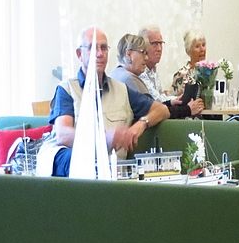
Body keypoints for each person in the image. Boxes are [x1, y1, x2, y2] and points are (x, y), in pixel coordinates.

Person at [44, 27, 169, 177]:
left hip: (113, 171)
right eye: (92, 48)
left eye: (103, 48)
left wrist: (139, 126)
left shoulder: (121, 89)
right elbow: (63, 135)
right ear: (79, 54)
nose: (99, 54)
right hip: (74, 168)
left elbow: (162, 110)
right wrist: (104, 139)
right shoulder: (67, 89)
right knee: (75, 158)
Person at [138, 25, 204, 118]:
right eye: (155, 44)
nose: (159, 49)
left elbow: (161, 97)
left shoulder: (153, 70)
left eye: (161, 43)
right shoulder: (140, 72)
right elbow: (156, 102)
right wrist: (184, 107)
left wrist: (176, 99)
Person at [171, 29, 207, 94]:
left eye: (203, 45)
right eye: (197, 46)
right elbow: (176, 98)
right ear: (188, 51)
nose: (202, 49)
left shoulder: (209, 72)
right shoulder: (181, 75)